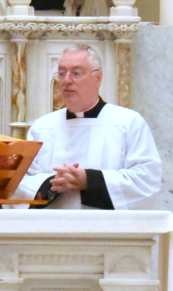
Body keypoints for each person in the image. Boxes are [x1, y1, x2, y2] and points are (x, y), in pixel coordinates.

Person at [15, 45, 161, 209]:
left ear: (98, 78)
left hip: (107, 231)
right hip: (53, 229)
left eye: (76, 73)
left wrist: (89, 180)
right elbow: (21, 180)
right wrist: (51, 184)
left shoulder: (128, 123)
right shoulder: (42, 127)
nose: (67, 81)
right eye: (61, 74)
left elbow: (146, 181)